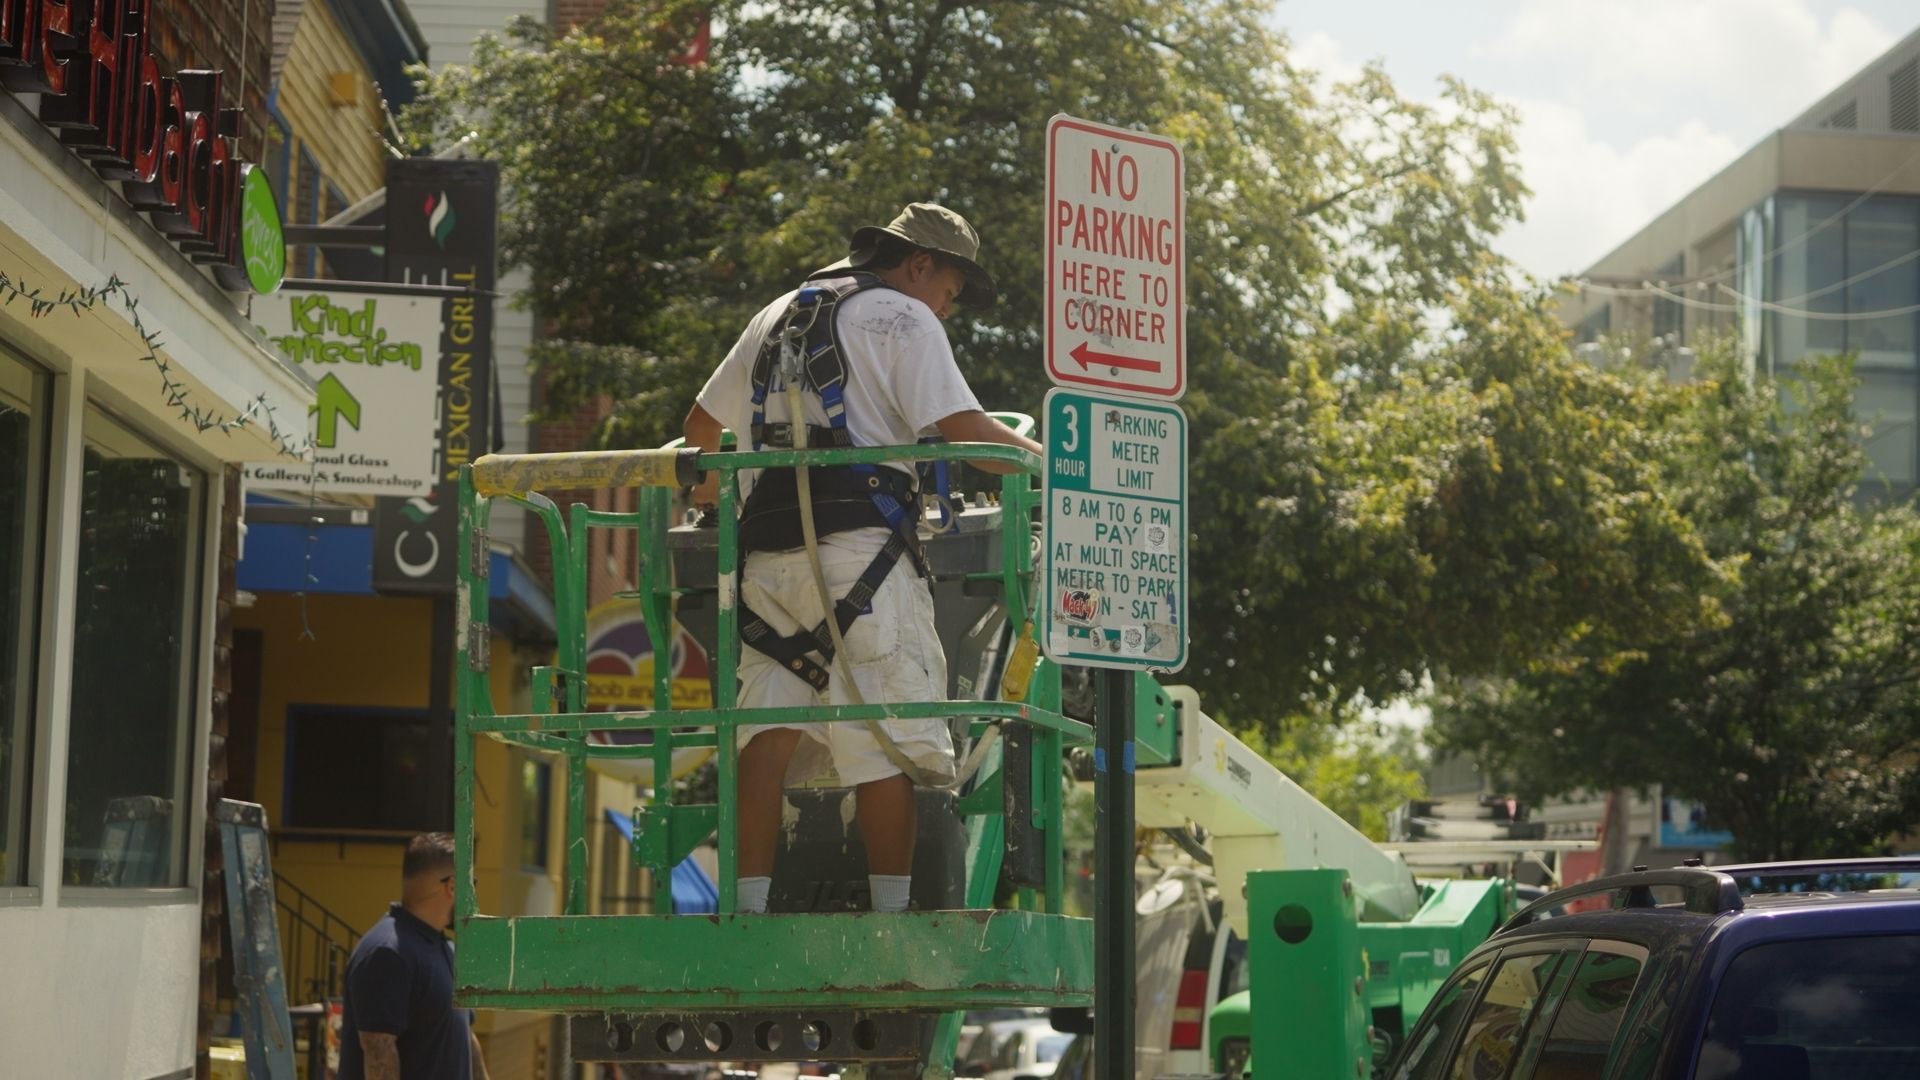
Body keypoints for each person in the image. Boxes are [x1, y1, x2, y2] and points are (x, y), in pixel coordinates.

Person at [684, 203, 1042, 914]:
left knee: (764, 737)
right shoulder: (904, 320)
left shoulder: (777, 312)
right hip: (864, 557)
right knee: (886, 739)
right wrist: (1059, 466)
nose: (949, 306)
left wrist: (709, 490)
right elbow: (969, 433)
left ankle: (743, 917)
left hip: (767, 558)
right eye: (950, 289)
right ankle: (890, 922)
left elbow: (699, 430)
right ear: (919, 265)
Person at [338, 832, 490, 1080]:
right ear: (452, 886)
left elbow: (466, 1038)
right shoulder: (388, 953)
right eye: (472, 883)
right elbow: (379, 1055)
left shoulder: (445, 948)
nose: (474, 896)